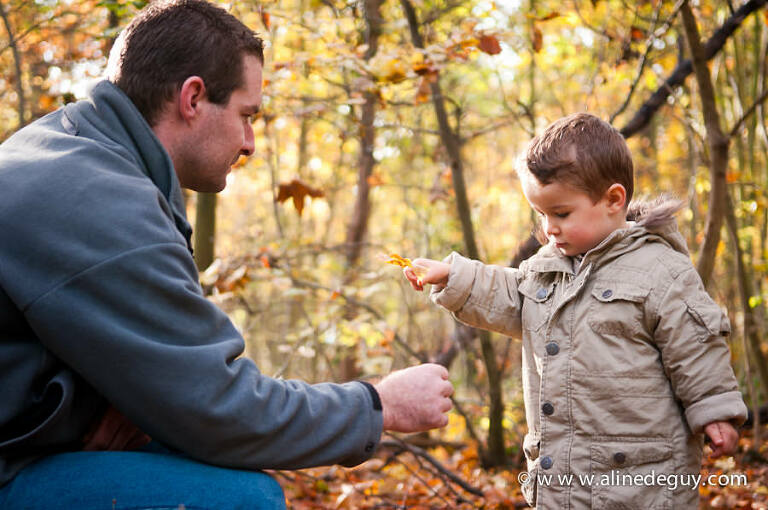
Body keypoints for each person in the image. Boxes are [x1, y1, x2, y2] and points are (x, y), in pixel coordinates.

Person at [0, 1, 453, 508]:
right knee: (245, 499)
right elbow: (218, 404)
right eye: (246, 116)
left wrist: (111, 401)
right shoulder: (101, 202)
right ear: (193, 98)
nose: (250, 143)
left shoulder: (67, 150)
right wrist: (380, 404)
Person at [404, 113, 748, 509]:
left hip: (641, 484)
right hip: (562, 481)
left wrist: (715, 409)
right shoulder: (546, 268)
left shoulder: (660, 270)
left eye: (561, 213)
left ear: (613, 200)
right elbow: (512, 295)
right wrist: (453, 276)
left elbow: (696, 343)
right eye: (541, 214)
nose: (549, 227)